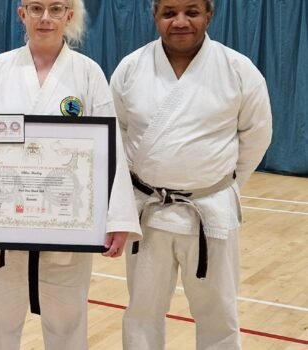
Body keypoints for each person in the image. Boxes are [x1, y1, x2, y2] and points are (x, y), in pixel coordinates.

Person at [0, 1, 142, 349]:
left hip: (68, 223)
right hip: (5, 225)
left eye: (55, 8)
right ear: (22, 15)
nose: (45, 18)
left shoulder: (88, 73)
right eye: (36, 8)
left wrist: (118, 217)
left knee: (67, 325)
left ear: (69, 16)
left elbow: (110, 145)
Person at [109, 0, 273, 349]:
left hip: (210, 211)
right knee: (142, 311)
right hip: (148, 212)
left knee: (218, 311)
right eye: (169, 13)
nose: (180, 22)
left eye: (192, 12)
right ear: (154, 16)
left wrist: (218, 186)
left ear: (209, 15)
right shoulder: (131, 69)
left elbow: (257, 136)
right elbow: (118, 135)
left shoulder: (238, 70)